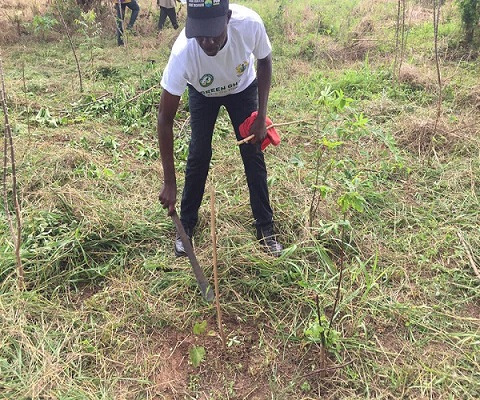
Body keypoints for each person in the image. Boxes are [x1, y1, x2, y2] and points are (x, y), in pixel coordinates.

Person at [157, 0, 283, 257]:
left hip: (242, 88)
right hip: (203, 93)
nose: (207, 43)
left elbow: (265, 61)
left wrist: (261, 117)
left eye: (213, 34)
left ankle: (265, 228)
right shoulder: (184, 52)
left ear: (227, 17)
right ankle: (187, 226)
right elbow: (164, 118)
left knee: (253, 154)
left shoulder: (249, 24)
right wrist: (169, 182)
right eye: (200, 35)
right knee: (198, 155)